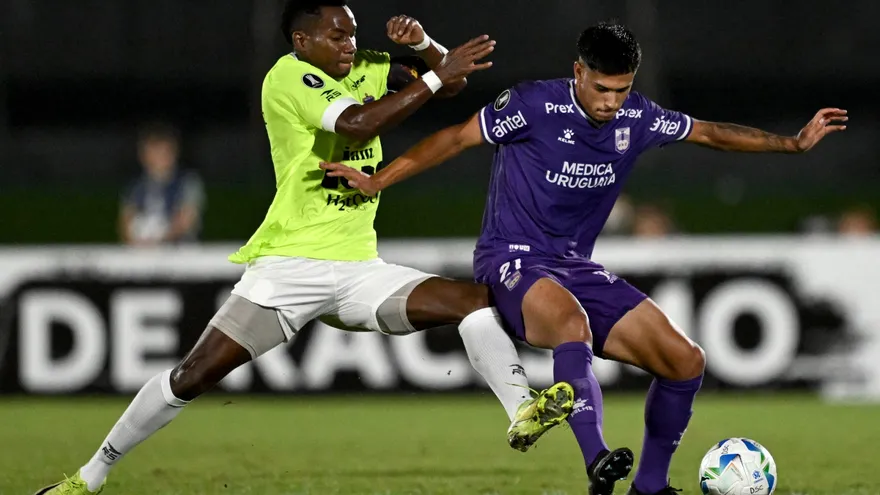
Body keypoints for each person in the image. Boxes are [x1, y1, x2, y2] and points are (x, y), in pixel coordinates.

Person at [35, 2, 573, 494]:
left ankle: (522, 409)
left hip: (361, 269)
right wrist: (435, 71)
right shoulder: (287, 77)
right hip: (289, 267)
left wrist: (426, 46)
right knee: (191, 377)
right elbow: (361, 125)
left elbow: (444, 88)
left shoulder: (364, 64)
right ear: (301, 40)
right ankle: (90, 476)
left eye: (353, 34)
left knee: (473, 302)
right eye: (336, 36)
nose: (348, 44)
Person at [319, 21, 847, 495]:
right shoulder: (531, 105)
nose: (611, 101)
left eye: (622, 90)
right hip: (512, 259)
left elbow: (709, 132)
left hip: (575, 266)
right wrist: (377, 180)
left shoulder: (637, 117)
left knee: (685, 361)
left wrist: (792, 145)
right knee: (571, 324)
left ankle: (650, 488)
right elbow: (455, 139)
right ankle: (597, 460)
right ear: (578, 72)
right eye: (601, 88)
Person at [118, 122, 205, 245]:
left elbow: (186, 220)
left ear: (173, 152)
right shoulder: (135, 187)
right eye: (152, 151)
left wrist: (157, 239)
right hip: (143, 255)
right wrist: (137, 241)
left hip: (180, 253)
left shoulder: (187, 182)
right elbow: (125, 222)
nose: (157, 157)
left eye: (162, 151)